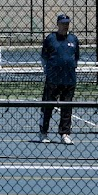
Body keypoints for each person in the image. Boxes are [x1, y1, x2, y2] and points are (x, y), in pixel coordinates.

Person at [38, 13, 80, 144]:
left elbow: (76, 57)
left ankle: (65, 134)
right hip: (53, 80)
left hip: (69, 80)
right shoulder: (50, 39)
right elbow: (44, 57)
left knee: (67, 108)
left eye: (67, 23)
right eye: (63, 23)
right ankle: (43, 133)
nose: (65, 26)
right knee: (47, 107)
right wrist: (49, 72)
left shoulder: (74, 39)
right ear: (58, 24)